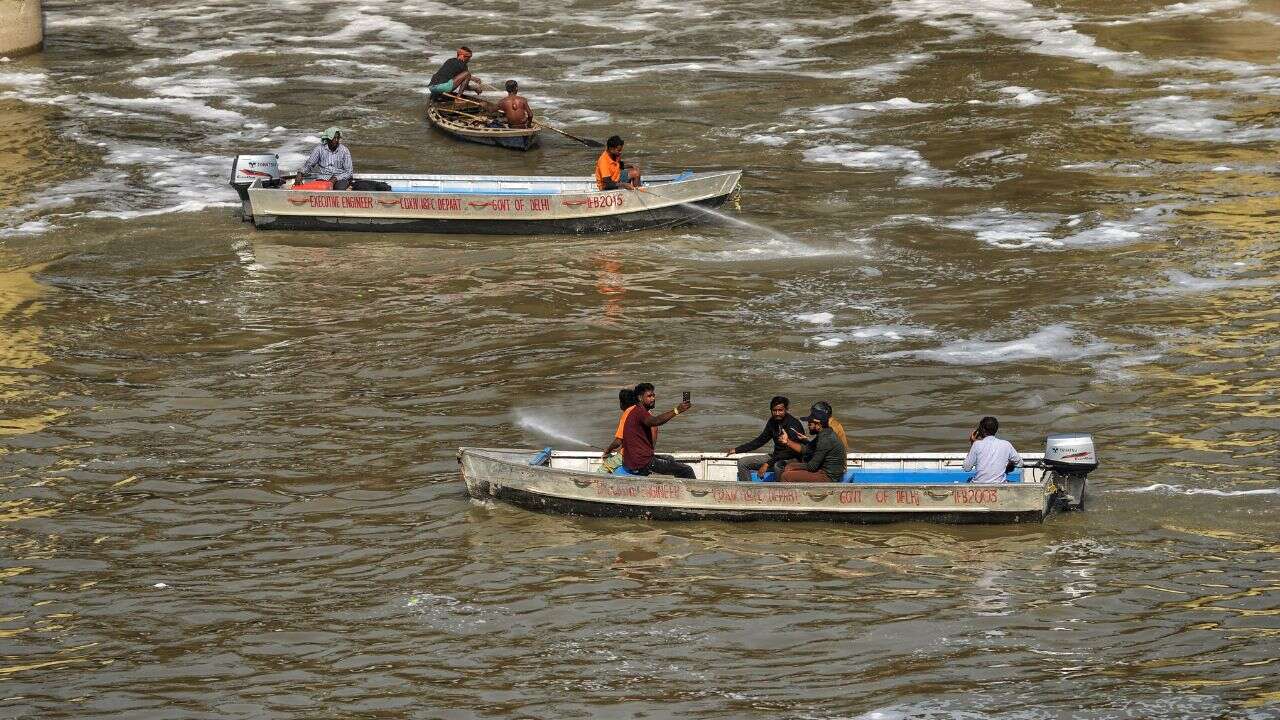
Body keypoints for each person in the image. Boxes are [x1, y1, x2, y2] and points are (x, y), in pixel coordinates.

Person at [724, 396, 806, 482]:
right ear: (771, 410)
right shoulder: (772, 422)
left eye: (780, 410)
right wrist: (737, 449)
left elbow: (792, 451)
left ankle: (779, 493)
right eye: (774, 410)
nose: (777, 413)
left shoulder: (793, 425)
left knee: (778, 466)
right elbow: (760, 441)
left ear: (786, 409)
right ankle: (748, 490)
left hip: (792, 459)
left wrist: (767, 464)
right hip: (775, 457)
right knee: (742, 462)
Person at [621, 382, 694, 478]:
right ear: (640, 398)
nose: (653, 398)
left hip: (634, 461)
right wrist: (677, 410)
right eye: (649, 396)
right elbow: (655, 421)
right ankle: (692, 491)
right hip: (642, 464)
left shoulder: (636, 411)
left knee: (669, 459)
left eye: (653, 395)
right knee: (687, 470)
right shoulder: (640, 413)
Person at [779, 404, 847, 483]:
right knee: (789, 466)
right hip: (821, 470)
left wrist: (792, 466)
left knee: (786, 476)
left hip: (827, 476)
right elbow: (807, 449)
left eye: (810, 423)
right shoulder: (825, 432)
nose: (808, 425)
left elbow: (812, 466)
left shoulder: (825, 439)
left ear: (818, 425)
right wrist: (787, 441)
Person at [963, 416, 1022, 484]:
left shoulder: (976, 445)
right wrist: (1009, 465)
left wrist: (972, 443)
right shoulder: (1006, 444)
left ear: (982, 430)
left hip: (979, 485)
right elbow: (1020, 463)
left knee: (969, 480)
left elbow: (966, 468)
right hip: (1000, 485)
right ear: (996, 430)